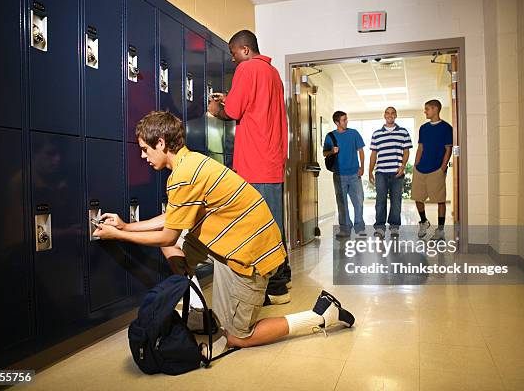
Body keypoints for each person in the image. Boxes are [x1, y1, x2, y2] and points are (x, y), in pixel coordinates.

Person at [93, 111, 354, 351]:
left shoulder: (185, 173)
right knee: (170, 246)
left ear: (160, 143)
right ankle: (197, 311)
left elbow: (168, 234)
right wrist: (127, 225)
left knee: (238, 337)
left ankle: (322, 315)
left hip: (251, 255)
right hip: (232, 242)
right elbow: (172, 218)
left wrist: (118, 235)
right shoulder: (190, 163)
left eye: (144, 149)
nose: (142, 156)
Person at [207, 30, 291, 305]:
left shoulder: (246, 69)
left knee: (261, 225)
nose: (232, 60)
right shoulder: (272, 73)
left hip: (256, 162)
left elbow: (232, 112)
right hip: (272, 159)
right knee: (273, 221)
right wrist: (230, 96)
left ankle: (276, 286)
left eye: (233, 54)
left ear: (244, 49)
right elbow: (254, 105)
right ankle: (280, 278)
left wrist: (213, 109)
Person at [411, 100, 453, 239]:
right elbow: (420, 147)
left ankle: (440, 230)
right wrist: (415, 166)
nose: (425, 111)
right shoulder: (423, 128)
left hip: (437, 170)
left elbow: (448, 149)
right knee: (417, 198)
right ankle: (423, 221)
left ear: (435, 109)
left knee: (440, 200)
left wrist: (442, 168)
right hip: (420, 169)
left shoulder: (447, 127)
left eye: (427, 109)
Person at [368, 106, 412, 237]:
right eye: (387, 113)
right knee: (380, 200)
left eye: (392, 113)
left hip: (397, 172)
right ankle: (380, 227)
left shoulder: (403, 132)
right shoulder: (376, 133)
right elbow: (373, 154)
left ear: (396, 115)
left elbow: (406, 151)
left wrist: (403, 166)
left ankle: (394, 227)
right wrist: (370, 171)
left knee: (396, 200)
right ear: (384, 115)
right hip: (381, 172)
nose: (390, 115)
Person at [323, 111, 366, 238]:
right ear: (337, 122)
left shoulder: (354, 133)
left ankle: (359, 228)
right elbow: (325, 153)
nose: (346, 121)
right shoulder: (330, 136)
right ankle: (345, 229)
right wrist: (332, 150)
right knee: (342, 203)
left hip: (354, 174)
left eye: (346, 119)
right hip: (339, 175)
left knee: (358, 201)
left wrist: (362, 167)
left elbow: (361, 151)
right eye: (343, 120)